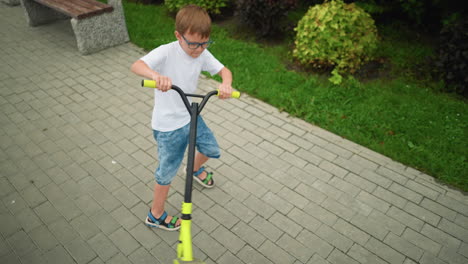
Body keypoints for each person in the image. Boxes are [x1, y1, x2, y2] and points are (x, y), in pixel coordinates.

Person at [130, 4, 233, 231]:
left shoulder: (202, 52)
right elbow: (137, 65)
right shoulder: (167, 52)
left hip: (191, 116)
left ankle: (194, 169)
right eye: (193, 44)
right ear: (178, 36)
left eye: (204, 43)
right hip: (168, 126)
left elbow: (224, 71)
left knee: (211, 149)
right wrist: (157, 77)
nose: (198, 50)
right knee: (166, 172)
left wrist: (225, 84)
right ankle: (155, 214)